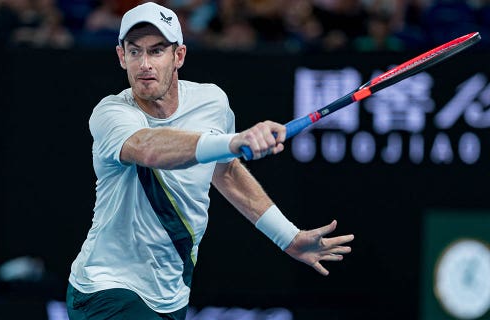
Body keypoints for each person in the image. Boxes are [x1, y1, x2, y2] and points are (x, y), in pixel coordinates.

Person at [66, 2, 354, 319]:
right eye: (135, 52)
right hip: (106, 289)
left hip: (170, 295)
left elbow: (226, 172)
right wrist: (234, 141)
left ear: (179, 56)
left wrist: (288, 237)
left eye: (157, 50)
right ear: (122, 57)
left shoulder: (211, 102)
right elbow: (149, 149)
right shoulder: (111, 113)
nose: (145, 64)